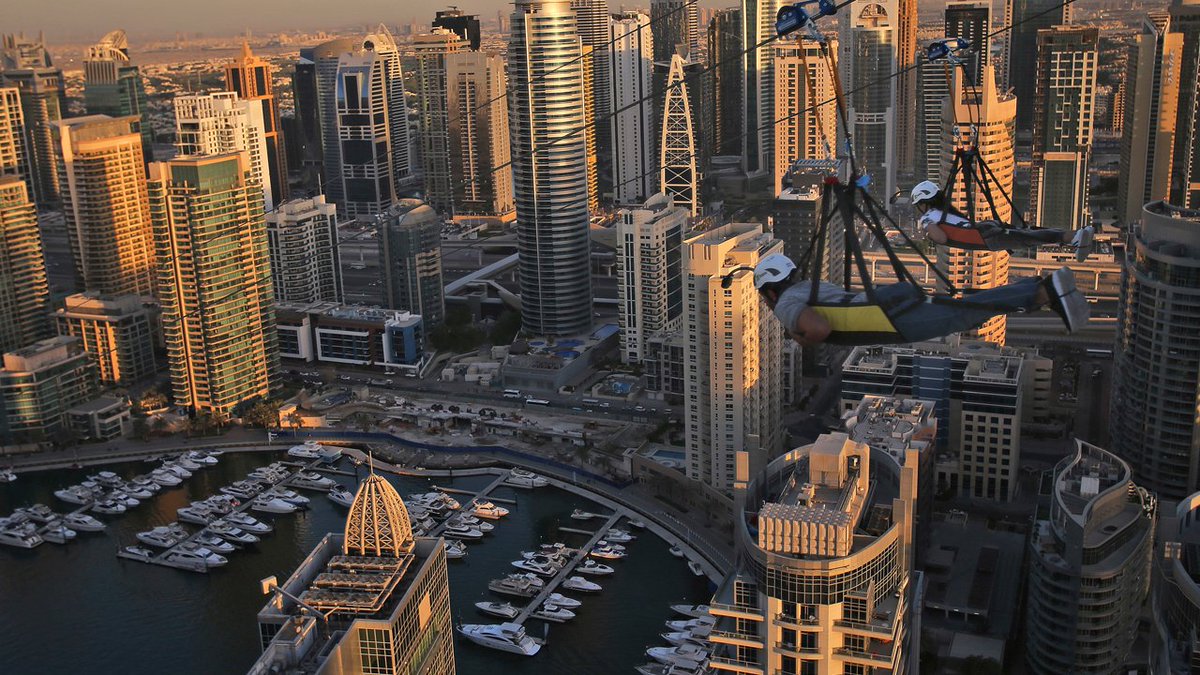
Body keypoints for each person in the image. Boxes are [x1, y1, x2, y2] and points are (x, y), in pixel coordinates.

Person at [753, 252, 1089, 347]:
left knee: (964, 314)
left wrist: (801, 337)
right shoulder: (810, 285)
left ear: (770, 291)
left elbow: (821, 328)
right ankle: (1040, 287)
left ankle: (1043, 292)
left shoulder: (784, 304)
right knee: (964, 308)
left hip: (890, 321)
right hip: (888, 305)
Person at [910, 181, 1095, 263]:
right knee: (1030, 232)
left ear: (923, 203)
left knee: (1030, 238)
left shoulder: (928, 217)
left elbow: (941, 238)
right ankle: (1075, 235)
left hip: (984, 238)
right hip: (984, 229)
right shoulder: (945, 211)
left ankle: (1075, 237)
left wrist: (927, 229)